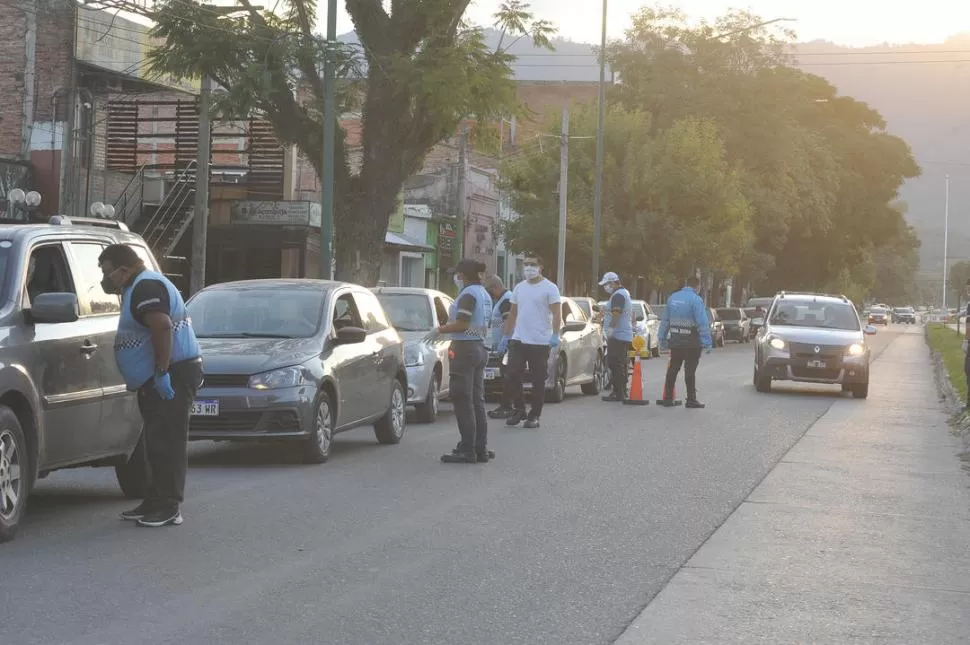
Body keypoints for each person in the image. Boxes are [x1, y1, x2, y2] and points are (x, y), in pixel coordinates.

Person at [99, 244, 203, 527]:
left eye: (108, 273)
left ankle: (169, 506)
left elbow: (162, 326)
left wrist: (161, 371)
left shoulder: (146, 287)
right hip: (159, 376)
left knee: (168, 441)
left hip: (172, 375)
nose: (105, 279)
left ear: (124, 269)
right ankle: (155, 499)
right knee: (155, 442)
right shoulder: (138, 286)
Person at [433, 259, 494, 464]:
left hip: (465, 350)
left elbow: (461, 324)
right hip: (479, 347)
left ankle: (468, 448)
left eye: (457, 275)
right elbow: (479, 328)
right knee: (477, 400)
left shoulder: (468, 295)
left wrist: (440, 330)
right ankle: (480, 447)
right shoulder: (484, 294)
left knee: (462, 398)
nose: (456, 278)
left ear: (464, 276)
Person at [502, 256, 562, 428]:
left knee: (538, 380)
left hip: (540, 341)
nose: (528, 268)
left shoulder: (550, 288)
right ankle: (519, 409)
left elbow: (557, 313)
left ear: (540, 267)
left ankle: (534, 415)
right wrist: (507, 334)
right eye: (526, 265)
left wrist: (555, 334)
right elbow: (513, 313)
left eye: (532, 265)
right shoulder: (519, 288)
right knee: (512, 374)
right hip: (519, 339)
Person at [658, 276, 712, 409]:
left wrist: (662, 338)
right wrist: (707, 341)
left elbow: (665, 321)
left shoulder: (672, 298)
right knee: (690, 371)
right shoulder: (696, 299)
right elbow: (702, 322)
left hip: (676, 339)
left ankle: (668, 398)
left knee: (673, 368)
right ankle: (691, 399)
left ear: (686, 284)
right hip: (692, 341)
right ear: (697, 287)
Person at [598, 271, 635, 402]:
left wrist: (611, 329)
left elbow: (616, 312)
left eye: (606, 284)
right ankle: (620, 391)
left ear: (613, 282)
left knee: (614, 363)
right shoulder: (623, 293)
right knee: (620, 363)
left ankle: (618, 392)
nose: (605, 287)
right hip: (622, 334)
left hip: (618, 335)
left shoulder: (618, 295)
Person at [484, 275, 516, 419]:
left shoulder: (506, 301)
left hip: (508, 346)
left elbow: (508, 322)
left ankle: (507, 407)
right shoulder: (504, 299)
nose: (490, 295)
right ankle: (506, 406)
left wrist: (504, 340)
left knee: (508, 377)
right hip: (504, 345)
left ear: (494, 288)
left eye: (490, 291)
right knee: (507, 377)